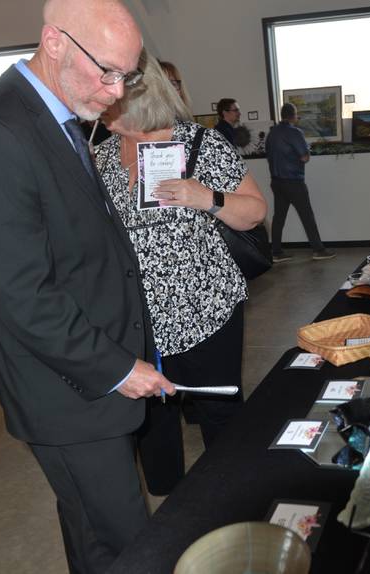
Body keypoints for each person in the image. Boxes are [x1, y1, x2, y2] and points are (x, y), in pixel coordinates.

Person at [0, 1, 176, 573]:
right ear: (53, 42)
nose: (116, 92)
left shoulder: (53, 112)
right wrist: (115, 367)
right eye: (106, 71)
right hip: (64, 387)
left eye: (127, 76)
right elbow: (18, 294)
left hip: (87, 368)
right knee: (132, 542)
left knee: (95, 534)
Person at [96, 50, 267, 495]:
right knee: (152, 427)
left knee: (220, 415)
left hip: (205, 310)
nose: (97, 105)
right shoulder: (100, 157)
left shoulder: (200, 145)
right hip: (136, 324)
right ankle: (170, 517)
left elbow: (253, 213)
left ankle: (231, 500)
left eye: (108, 97)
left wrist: (205, 197)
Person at [265, 102, 335, 262]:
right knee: (307, 216)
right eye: (296, 114)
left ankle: (276, 252)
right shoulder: (295, 132)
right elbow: (305, 157)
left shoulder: (272, 133)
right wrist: (305, 152)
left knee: (279, 217)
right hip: (293, 182)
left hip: (276, 182)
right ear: (293, 116)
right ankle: (318, 250)